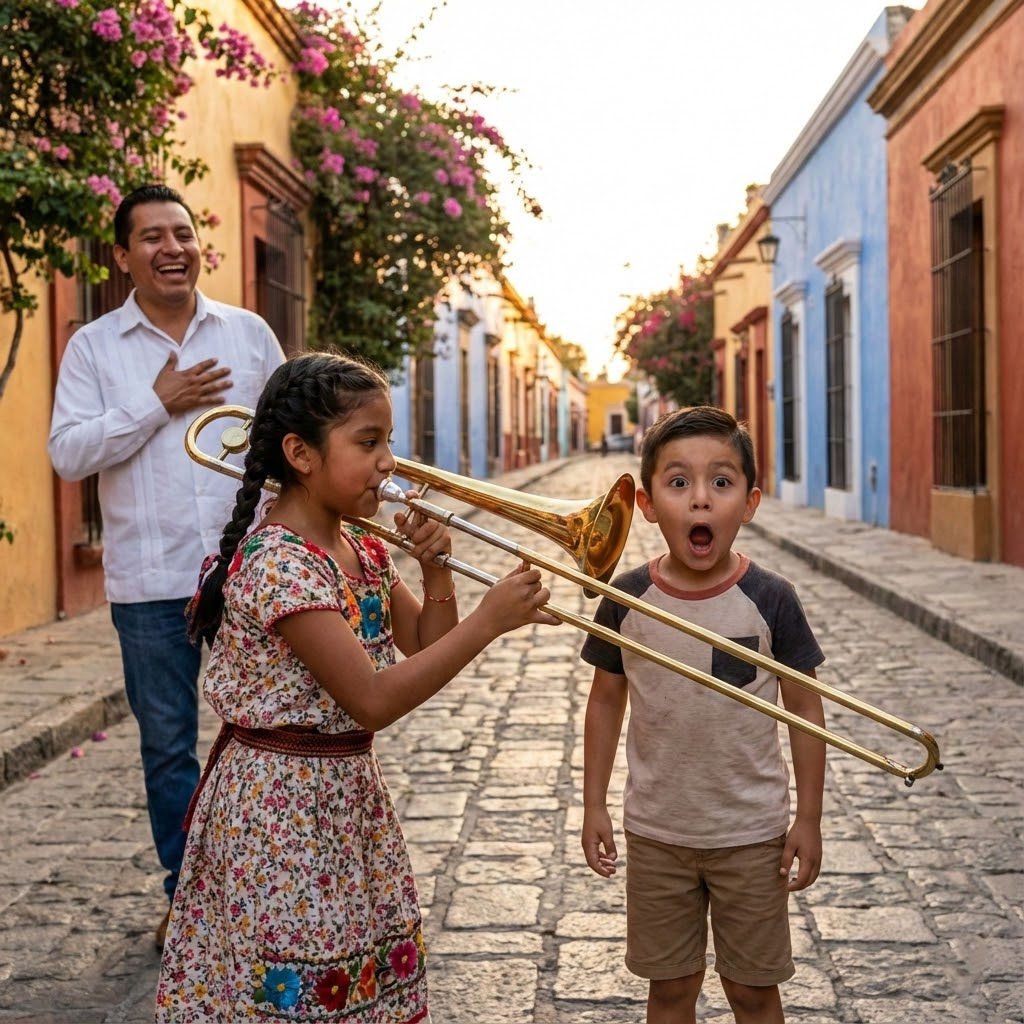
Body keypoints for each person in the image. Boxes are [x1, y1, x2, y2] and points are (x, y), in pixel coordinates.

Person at [155, 351, 557, 1023]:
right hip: (279, 815)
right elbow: (372, 698)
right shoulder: (280, 564)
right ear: (301, 454)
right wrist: (489, 623)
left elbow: (425, 645)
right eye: (368, 443)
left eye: (389, 442)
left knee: (351, 982)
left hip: (343, 802)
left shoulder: (360, 549)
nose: (389, 462)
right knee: (291, 989)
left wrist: (437, 572)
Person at [47, 184, 285, 948]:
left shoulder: (249, 336)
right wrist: (158, 401)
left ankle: (273, 892)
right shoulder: (92, 348)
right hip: (150, 585)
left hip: (251, 577)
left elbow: (292, 440)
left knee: (274, 737)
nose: (171, 248)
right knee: (168, 750)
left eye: (181, 233)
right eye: (151, 237)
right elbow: (68, 454)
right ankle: (193, 902)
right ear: (122, 257)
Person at [580, 406, 826, 1024]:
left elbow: (804, 708)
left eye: (722, 482)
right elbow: (606, 701)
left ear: (750, 502)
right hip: (658, 832)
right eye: (678, 482)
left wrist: (810, 820)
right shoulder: (625, 597)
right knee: (669, 991)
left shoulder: (771, 599)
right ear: (646, 501)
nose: (699, 501)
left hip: (752, 835)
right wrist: (592, 804)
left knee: (753, 992)